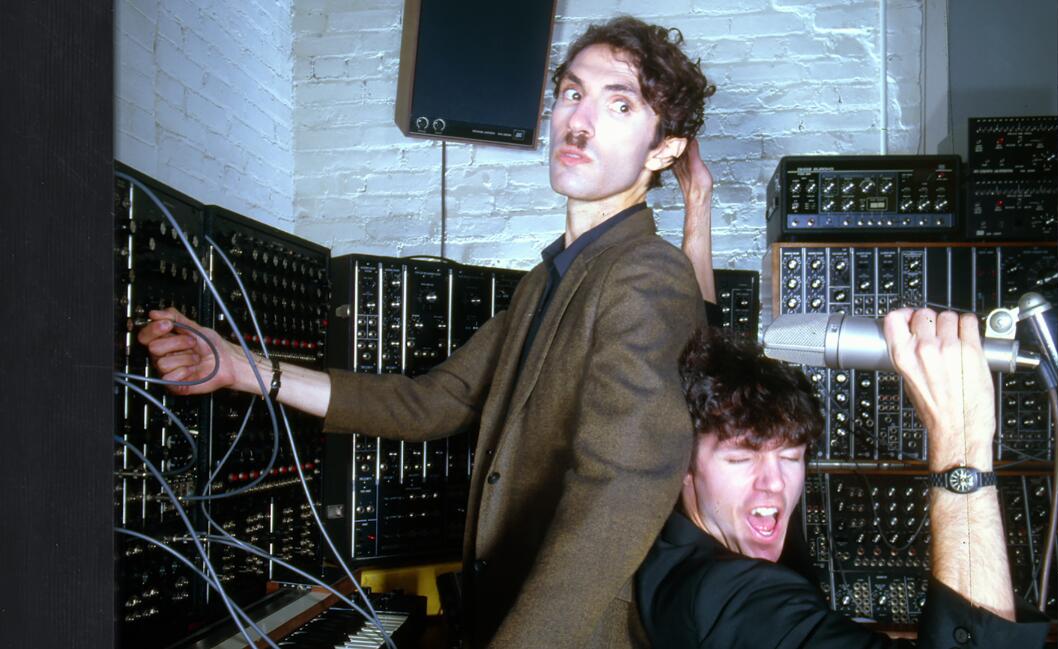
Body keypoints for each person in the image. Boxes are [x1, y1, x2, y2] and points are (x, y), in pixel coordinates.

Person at [138, 16, 717, 649]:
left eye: (621, 104)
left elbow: (623, 487)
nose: (580, 123)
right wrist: (241, 367)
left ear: (664, 149)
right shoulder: (549, 280)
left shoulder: (647, 276)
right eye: (573, 93)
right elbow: (434, 401)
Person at [636, 314, 1051, 648]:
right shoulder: (734, 597)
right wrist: (961, 440)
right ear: (683, 469)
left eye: (791, 456)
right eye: (741, 458)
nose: (774, 484)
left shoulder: (676, 548)